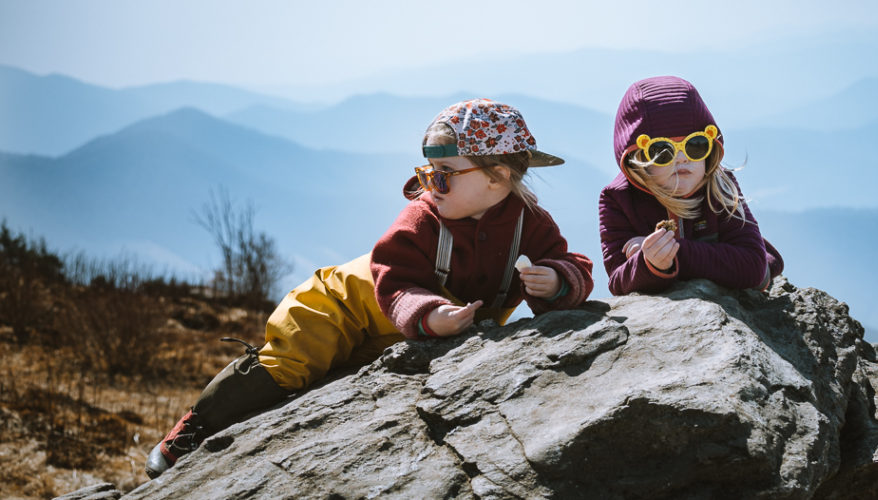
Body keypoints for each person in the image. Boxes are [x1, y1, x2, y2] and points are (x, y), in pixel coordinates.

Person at [146, 98, 594, 479]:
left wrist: (556, 282)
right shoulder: (421, 220)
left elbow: (570, 264)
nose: (429, 185)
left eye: (444, 173)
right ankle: (194, 430)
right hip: (342, 306)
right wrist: (429, 315)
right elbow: (394, 277)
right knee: (291, 363)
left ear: (496, 176)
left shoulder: (530, 224)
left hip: (397, 337)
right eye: (427, 172)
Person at [599, 75, 782, 295]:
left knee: (760, 268)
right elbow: (618, 282)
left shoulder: (719, 185)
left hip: (735, 280)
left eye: (696, 145)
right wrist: (649, 263)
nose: (682, 158)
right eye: (662, 151)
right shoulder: (618, 200)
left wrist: (675, 254)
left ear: (710, 147)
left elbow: (752, 267)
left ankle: (762, 249)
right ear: (636, 159)